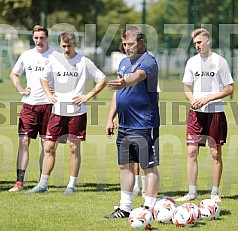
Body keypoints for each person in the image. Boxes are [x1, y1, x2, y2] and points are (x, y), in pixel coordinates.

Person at [24, 31, 107, 195]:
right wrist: (48, 94)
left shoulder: (84, 61)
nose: (66, 49)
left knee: (73, 148)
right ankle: (42, 185)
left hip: (77, 112)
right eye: (63, 46)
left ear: (75, 44)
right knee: (48, 147)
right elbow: (43, 78)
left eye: (69, 46)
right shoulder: (55, 60)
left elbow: (102, 79)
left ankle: (71, 185)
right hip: (57, 111)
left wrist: (88, 96)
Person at [103, 25, 160, 219]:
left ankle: (148, 209)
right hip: (125, 125)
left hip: (144, 124)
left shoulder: (149, 61)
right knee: (125, 166)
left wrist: (126, 82)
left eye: (131, 44)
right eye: (124, 44)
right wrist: (111, 117)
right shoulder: (123, 63)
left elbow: (139, 76)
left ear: (141, 42)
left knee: (148, 166)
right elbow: (118, 94)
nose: (127, 47)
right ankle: (124, 208)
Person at [177, 28, 234, 202]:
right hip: (196, 114)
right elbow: (186, 86)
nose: (197, 46)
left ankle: (215, 193)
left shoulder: (220, 61)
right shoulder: (192, 62)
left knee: (215, 154)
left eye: (199, 42)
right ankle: (192, 192)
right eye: (195, 43)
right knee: (192, 152)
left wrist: (208, 99)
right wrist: (192, 99)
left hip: (215, 113)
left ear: (208, 41)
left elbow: (229, 88)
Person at [8, 25, 53, 192]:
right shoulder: (26, 55)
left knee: (46, 144)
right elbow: (14, 74)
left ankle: (42, 183)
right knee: (23, 141)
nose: (39, 41)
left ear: (47, 38)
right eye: (36, 38)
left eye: (42, 38)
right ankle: (19, 182)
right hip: (29, 105)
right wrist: (20, 88)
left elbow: (66, 77)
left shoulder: (56, 56)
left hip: (49, 106)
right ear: (33, 38)